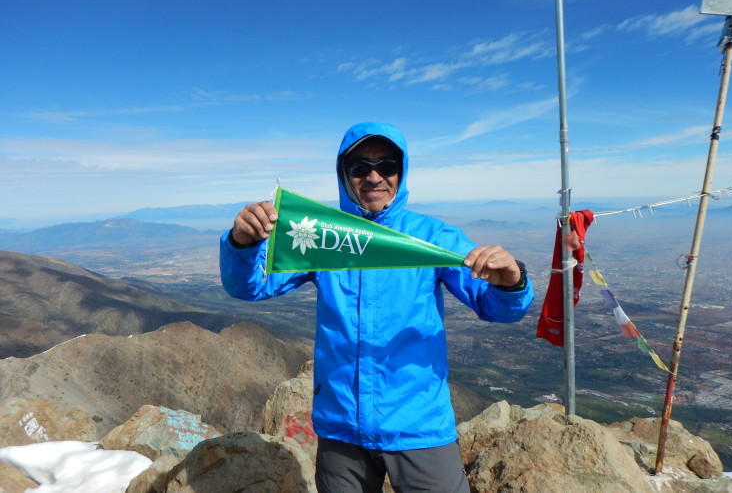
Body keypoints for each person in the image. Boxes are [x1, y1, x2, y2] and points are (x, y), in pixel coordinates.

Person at [220, 122, 534, 493]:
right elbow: (249, 287)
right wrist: (242, 242)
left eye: (386, 165)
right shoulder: (325, 235)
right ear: (344, 174)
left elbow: (497, 308)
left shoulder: (432, 237)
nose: (374, 177)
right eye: (359, 167)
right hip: (342, 429)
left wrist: (512, 281)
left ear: (401, 173)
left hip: (418, 427)